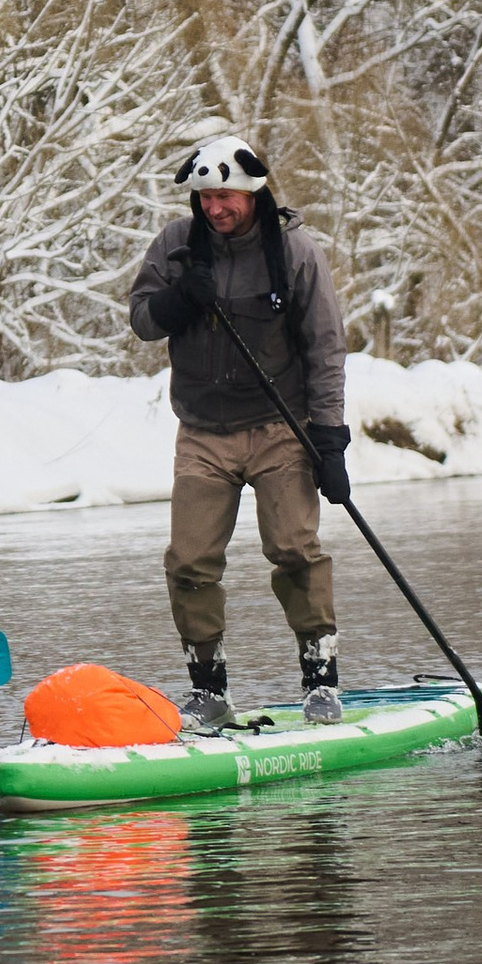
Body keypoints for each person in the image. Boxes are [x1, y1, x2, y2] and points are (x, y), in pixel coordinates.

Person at [128, 125, 352, 727]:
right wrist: (180, 298)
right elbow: (143, 320)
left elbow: (325, 348)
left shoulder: (296, 252)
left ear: (253, 193)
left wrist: (330, 439)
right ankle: (209, 690)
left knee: (294, 549)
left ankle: (321, 681)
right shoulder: (175, 244)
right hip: (202, 431)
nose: (215, 208)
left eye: (225, 197)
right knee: (189, 560)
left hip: (280, 427)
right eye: (205, 198)